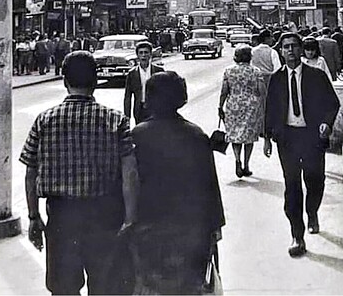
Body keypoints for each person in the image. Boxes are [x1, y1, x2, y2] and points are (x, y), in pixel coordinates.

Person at [19, 51, 137, 295]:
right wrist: (131, 219)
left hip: (62, 218)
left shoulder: (44, 120)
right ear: (95, 82)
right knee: (107, 286)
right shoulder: (116, 120)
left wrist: (33, 217)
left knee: (63, 288)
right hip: (105, 216)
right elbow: (130, 174)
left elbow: (31, 173)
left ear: (65, 81)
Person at [128, 71, 225, 295]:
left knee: (152, 286)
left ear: (149, 99)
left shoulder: (137, 135)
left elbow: (130, 181)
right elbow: (209, 184)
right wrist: (215, 226)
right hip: (191, 229)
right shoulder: (196, 135)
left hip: (149, 226)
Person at [263, 33, 340, 257]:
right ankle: (297, 234)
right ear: (281, 51)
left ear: (301, 49)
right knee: (292, 185)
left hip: (311, 136)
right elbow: (270, 109)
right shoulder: (276, 79)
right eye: (286, 47)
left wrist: (326, 123)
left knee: (315, 181)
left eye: (294, 46)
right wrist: (267, 137)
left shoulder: (316, 76)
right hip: (287, 139)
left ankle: (312, 212)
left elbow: (332, 103)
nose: (291, 51)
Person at [219, 44, 263, 178]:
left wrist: (220, 106)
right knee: (249, 137)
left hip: (233, 106)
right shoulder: (255, 71)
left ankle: (237, 160)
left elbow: (224, 91)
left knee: (235, 135)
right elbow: (261, 90)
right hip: (251, 106)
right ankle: (246, 165)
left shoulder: (229, 71)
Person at [124, 41, 164, 124]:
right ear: (137, 55)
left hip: (156, 110)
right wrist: (127, 117)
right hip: (140, 110)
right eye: (141, 53)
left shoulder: (159, 71)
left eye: (146, 52)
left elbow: (164, 93)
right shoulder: (132, 73)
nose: (143, 55)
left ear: (150, 55)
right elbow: (128, 97)